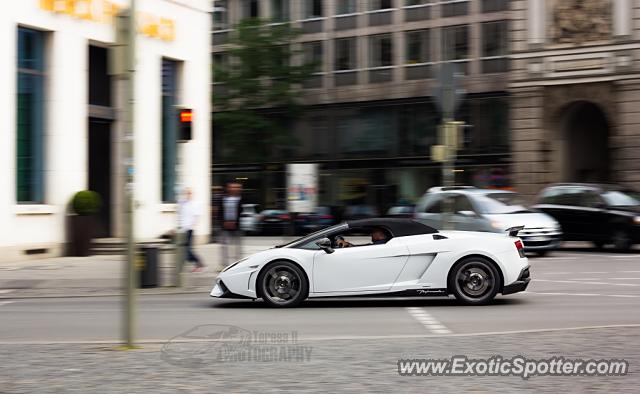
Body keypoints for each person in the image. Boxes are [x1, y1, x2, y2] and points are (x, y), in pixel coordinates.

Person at [216, 182, 243, 267]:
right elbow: (219, 212)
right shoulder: (223, 199)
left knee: (237, 247)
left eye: (236, 187)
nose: (233, 189)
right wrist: (224, 222)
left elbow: (240, 212)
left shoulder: (240, 199)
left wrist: (235, 222)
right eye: (231, 187)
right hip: (224, 226)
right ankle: (224, 265)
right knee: (224, 247)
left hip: (236, 226)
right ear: (228, 188)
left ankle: (238, 265)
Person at [179, 187, 205, 272]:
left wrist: (192, 225)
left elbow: (196, 217)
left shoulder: (195, 204)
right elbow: (180, 216)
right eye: (186, 193)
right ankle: (197, 263)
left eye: (189, 193)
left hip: (189, 229)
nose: (187, 195)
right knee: (184, 249)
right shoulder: (182, 203)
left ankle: (199, 262)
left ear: (192, 194)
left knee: (187, 249)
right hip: (182, 230)